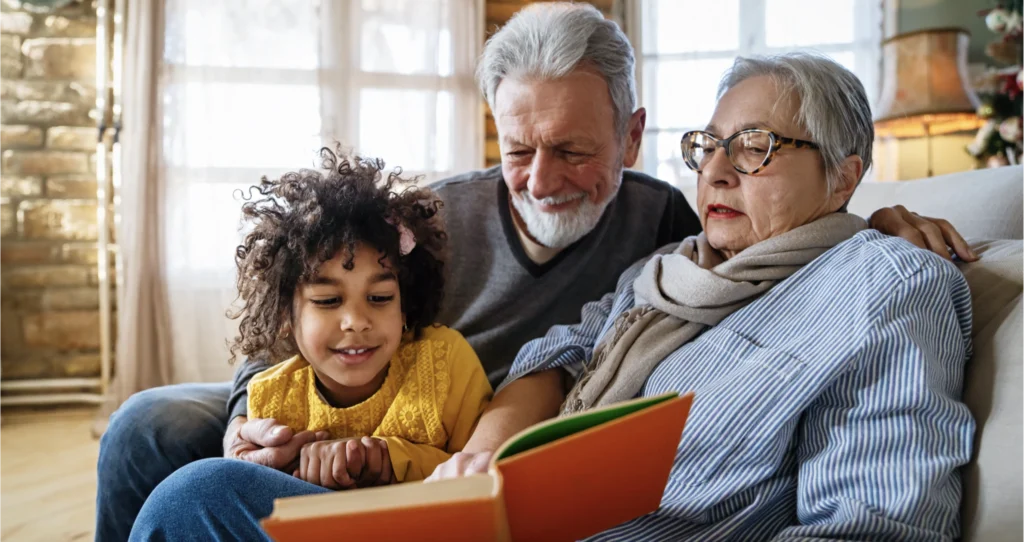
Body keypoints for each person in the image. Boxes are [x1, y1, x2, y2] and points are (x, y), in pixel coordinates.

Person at [98, 3, 977, 540]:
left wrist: (872, 223)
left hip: (485, 477)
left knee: (197, 498)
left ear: (631, 141)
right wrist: (259, 410)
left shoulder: (672, 231)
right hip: (371, 418)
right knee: (151, 430)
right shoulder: (439, 224)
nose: (542, 179)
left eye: (573, 150)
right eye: (519, 149)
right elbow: (318, 319)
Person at [429, 53, 975, 540]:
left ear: (842, 178)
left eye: (754, 148)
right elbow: (560, 355)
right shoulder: (669, 265)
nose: (714, 172)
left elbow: (871, 524)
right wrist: (473, 476)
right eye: (708, 146)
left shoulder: (882, 287)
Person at [229, 151, 491, 489]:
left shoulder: (446, 364)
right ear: (285, 316)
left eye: (380, 298)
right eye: (328, 301)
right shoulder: (272, 400)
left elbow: (481, 471)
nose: (355, 321)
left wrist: (391, 459)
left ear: (405, 304)